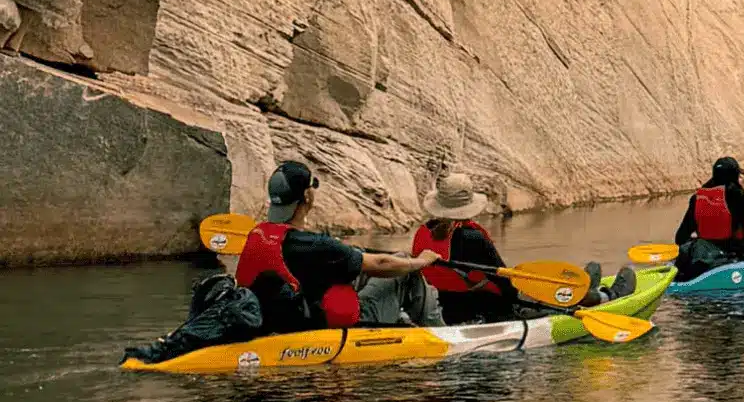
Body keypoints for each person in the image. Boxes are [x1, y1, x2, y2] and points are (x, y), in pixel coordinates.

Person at [237, 161, 442, 333]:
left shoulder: (257, 235)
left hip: (280, 320)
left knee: (379, 264)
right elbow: (382, 262)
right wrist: (422, 260)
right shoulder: (318, 246)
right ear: (308, 196)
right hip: (327, 328)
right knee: (406, 269)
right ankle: (441, 332)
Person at [412, 174, 632, 324]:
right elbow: (505, 285)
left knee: (581, 273)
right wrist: (527, 293)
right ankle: (605, 297)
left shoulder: (423, 231)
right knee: (541, 296)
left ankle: (583, 286)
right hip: (489, 309)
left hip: (444, 307)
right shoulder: (471, 236)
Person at [673, 156, 744, 279]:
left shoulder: (697, 198)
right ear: (734, 176)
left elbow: (680, 238)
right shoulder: (738, 196)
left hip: (705, 256)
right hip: (733, 256)